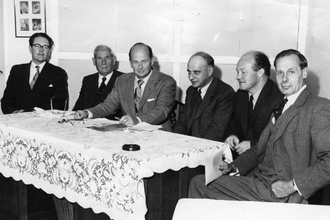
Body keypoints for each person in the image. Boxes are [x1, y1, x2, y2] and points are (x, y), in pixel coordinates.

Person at [189, 49, 330, 204]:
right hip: (259, 180)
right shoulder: (283, 105)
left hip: (279, 190)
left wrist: (292, 186)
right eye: (280, 73)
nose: (284, 79)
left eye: (290, 72)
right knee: (203, 180)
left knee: (199, 184)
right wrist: (234, 168)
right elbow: (260, 149)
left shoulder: (318, 107)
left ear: (304, 73)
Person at [74, 42, 176, 131]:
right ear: (130, 63)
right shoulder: (122, 80)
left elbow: (162, 111)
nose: (140, 67)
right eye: (135, 62)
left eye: (144, 61)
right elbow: (109, 105)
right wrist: (87, 113)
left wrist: (137, 120)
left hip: (158, 135)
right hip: (128, 135)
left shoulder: (166, 82)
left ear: (152, 60)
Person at [225, 51, 283, 158]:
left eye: (243, 72)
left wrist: (252, 144)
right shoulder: (240, 94)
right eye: (237, 72)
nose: (238, 77)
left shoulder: (279, 97)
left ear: (260, 72)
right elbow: (233, 121)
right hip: (242, 159)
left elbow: (279, 138)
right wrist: (233, 135)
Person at [173, 51, 235, 141]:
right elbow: (182, 123)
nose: (191, 77)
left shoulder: (225, 93)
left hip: (209, 147)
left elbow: (215, 133)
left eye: (196, 72)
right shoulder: (191, 91)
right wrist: (174, 141)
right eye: (189, 72)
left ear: (209, 71)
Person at [1, 32, 69, 114]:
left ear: (49, 51)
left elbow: (60, 103)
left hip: (43, 121)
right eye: (37, 45)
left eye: (45, 47)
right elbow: (7, 99)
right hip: (17, 119)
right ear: (30, 48)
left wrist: (29, 113)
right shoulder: (17, 70)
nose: (41, 50)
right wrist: (14, 112)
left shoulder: (58, 73)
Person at [73, 45, 124, 120]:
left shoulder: (124, 80)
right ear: (94, 61)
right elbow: (78, 108)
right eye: (99, 58)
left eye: (107, 58)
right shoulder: (88, 80)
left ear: (113, 60)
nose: (104, 62)